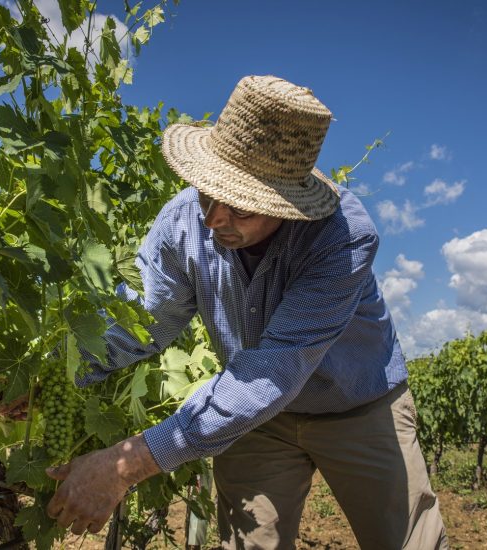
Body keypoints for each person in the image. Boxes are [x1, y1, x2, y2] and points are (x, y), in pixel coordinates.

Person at [44, 75, 449, 549]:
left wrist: (126, 464)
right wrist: (64, 374)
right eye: (206, 193)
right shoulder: (183, 222)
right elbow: (145, 320)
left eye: (240, 207)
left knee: (408, 543)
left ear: (287, 205)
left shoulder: (342, 238)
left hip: (358, 406)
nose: (214, 217)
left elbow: (272, 373)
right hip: (254, 420)